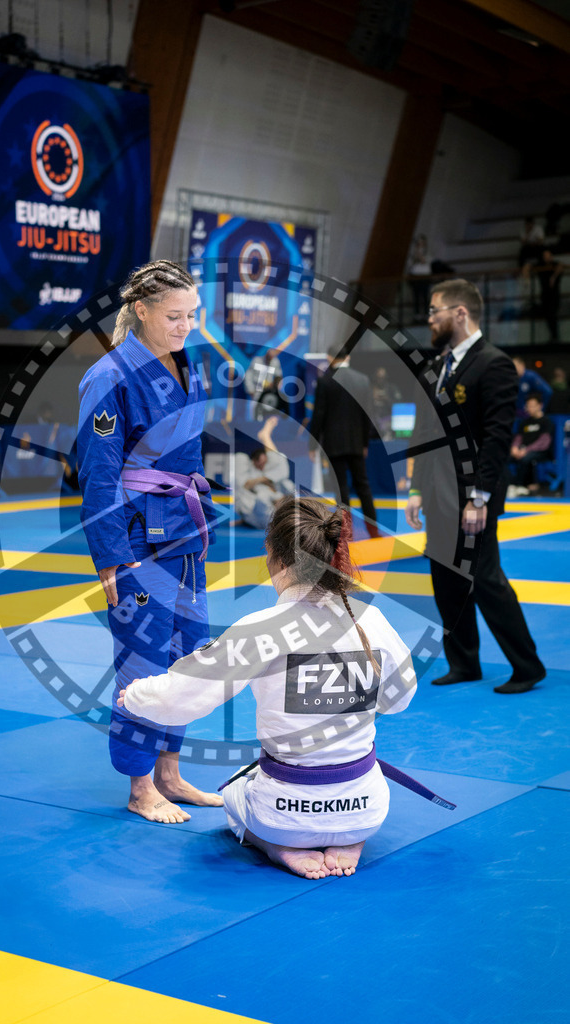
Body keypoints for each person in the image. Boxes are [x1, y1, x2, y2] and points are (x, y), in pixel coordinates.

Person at [118, 496, 417, 879]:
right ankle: (347, 835)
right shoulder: (371, 618)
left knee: (235, 789)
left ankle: (274, 844)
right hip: (366, 809)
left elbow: (185, 697)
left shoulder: (261, 627)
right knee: (345, 780)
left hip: (284, 814)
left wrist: (139, 696)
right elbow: (398, 700)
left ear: (273, 555)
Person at [78, 259, 222, 823]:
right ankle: (140, 788)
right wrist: (111, 558)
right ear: (141, 310)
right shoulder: (108, 377)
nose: (185, 326)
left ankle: (170, 773)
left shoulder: (191, 367)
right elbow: (98, 476)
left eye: (192, 315)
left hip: (185, 534)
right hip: (138, 538)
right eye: (174, 316)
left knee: (188, 656)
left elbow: (187, 458)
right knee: (143, 661)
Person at [405, 279, 545, 694]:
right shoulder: (438, 365)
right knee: (446, 580)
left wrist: (479, 496)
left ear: (460, 313)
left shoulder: (493, 363)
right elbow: (426, 431)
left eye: (435, 311)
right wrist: (415, 487)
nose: (429, 319)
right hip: (436, 489)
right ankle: (463, 662)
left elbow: (498, 436)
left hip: (471, 493)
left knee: (484, 578)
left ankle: (528, 664)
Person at [309, 343, 379, 538]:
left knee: (341, 490)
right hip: (357, 442)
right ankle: (373, 531)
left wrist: (312, 445)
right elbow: (368, 416)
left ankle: (347, 534)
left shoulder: (325, 381)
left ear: (330, 357)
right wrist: (364, 443)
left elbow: (318, 416)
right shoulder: (363, 380)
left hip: (333, 444)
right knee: (363, 486)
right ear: (347, 357)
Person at [234, 414, 295, 529]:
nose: (264, 466)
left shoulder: (270, 471)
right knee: (263, 495)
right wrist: (265, 481)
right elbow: (245, 486)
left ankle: (265, 436)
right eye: (260, 464)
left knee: (281, 465)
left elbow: (280, 495)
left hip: (269, 511)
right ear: (254, 462)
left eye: (265, 463)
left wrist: (264, 480)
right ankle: (265, 436)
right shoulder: (247, 468)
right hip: (259, 513)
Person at [508, 393, 554, 496]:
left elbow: (544, 442)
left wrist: (526, 450)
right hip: (522, 450)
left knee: (526, 458)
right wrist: (514, 448)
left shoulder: (546, 422)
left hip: (540, 451)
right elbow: (518, 438)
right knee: (504, 457)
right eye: (528, 406)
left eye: (533, 405)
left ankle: (520, 485)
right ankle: (510, 485)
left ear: (540, 405)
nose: (530, 408)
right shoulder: (525, 422)